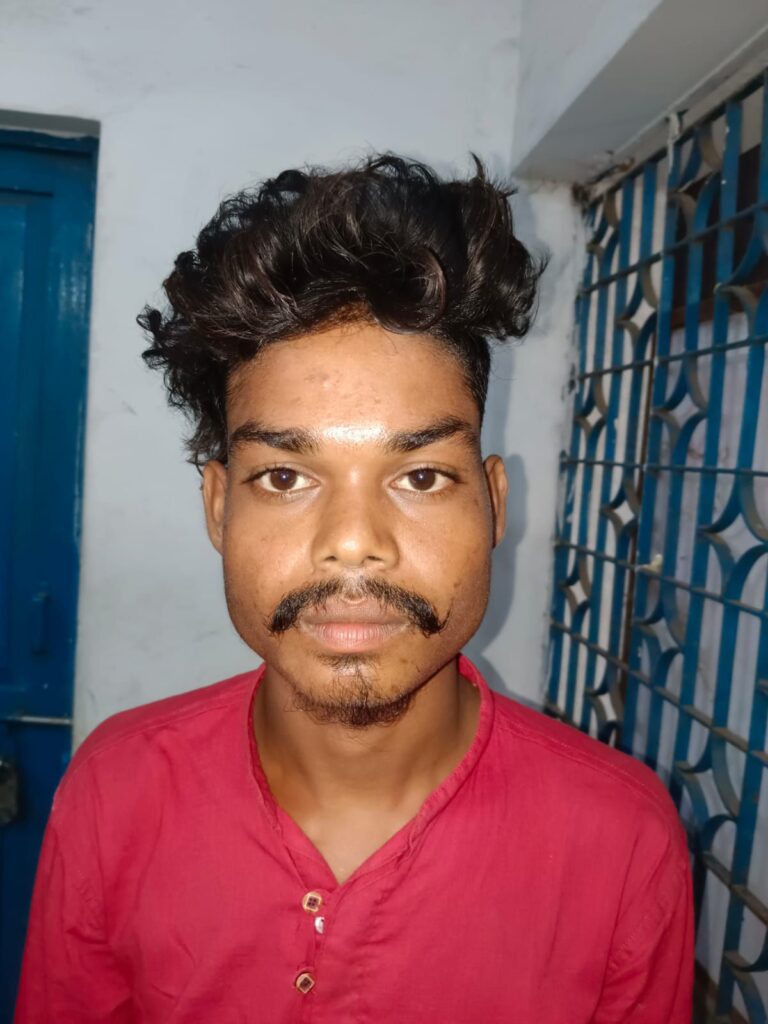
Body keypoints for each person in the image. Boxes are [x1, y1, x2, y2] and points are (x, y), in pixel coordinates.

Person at [15, 154, 693, 1023]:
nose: (353, 543)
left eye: (420, 476)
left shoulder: (623, 840)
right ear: (219, 506)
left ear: (493, 503)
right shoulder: (114, 790)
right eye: (285, 477)